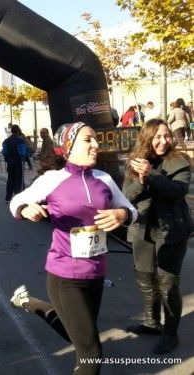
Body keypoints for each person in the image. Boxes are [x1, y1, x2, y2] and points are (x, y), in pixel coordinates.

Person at [9, 122, 137, 375]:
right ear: (68, 147)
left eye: (96, 140)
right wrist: (26, 209)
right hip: (64, 274)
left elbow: (131, 210)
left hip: (96, 273)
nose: (96, 145)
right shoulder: (53, 179)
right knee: (90, 352)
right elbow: (16, 201)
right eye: (88, 140)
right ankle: (28, 301)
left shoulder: (104, 179)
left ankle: (27, 301)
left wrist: (122, 214)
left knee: (76, 334)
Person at [122, 119, 191, 354]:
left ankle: (170, 333)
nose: (163, 141)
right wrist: (141, 180)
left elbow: (177, 191)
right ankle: (152, 323)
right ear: (147, 138)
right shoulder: (135, 163)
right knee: (145, 279)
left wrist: (151, 176)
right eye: (157, 137)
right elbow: (126, 197)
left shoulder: (179, 162)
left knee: (168, 284)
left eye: (167, 136)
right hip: (142, 230)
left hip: (171, 232)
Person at [2, 125, 28, 202]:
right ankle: (19, 198)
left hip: (10, 162)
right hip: (18, 162)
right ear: (18, 131)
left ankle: (8, 197)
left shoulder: (6, 141)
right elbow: (23, 153)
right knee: (19, 179)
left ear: (11, 131)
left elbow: (4, 152)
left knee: (10, 179)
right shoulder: (21, 141)